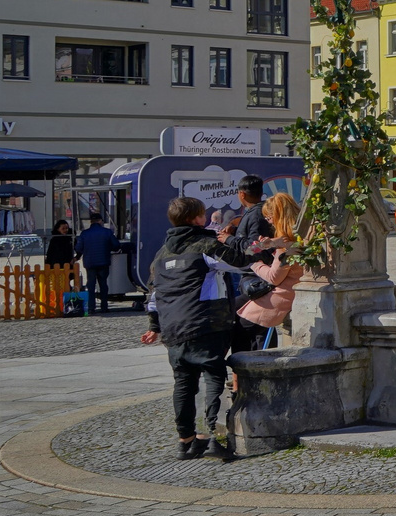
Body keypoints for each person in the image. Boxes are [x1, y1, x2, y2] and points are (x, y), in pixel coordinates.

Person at [141, 196, 255, 462]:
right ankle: (213, 439)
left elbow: (153, 294)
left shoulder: (161, 254)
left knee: (183, 383)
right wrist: (246, 244)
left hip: (173, 329)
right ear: (197, 219)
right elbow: (242, 262)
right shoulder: (205, 244)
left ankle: (185, 441)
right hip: (206, 324)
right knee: (213, 377)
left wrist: (155, 327)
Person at [237, 192, 303, 345]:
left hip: (280, 297)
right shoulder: (294, 238)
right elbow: (249, 251)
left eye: (269, 218)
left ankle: (242, 367)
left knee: (242, 327)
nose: (269, 222)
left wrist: (255, 263)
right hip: (281, 294)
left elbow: (274, 277)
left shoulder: (285, 245)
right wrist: (266, 244)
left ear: (278, 216)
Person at [74, 213, 120, 312]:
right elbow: (116, 245)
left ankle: (91, 307)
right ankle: (104, 306)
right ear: (100, 221)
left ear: (91, 221)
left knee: (90, 285)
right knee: (103, 284)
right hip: (103, 261)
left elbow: (78, 248)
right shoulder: (107, 232)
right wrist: (108, 248)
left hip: (90, 263)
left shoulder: (84, 233)